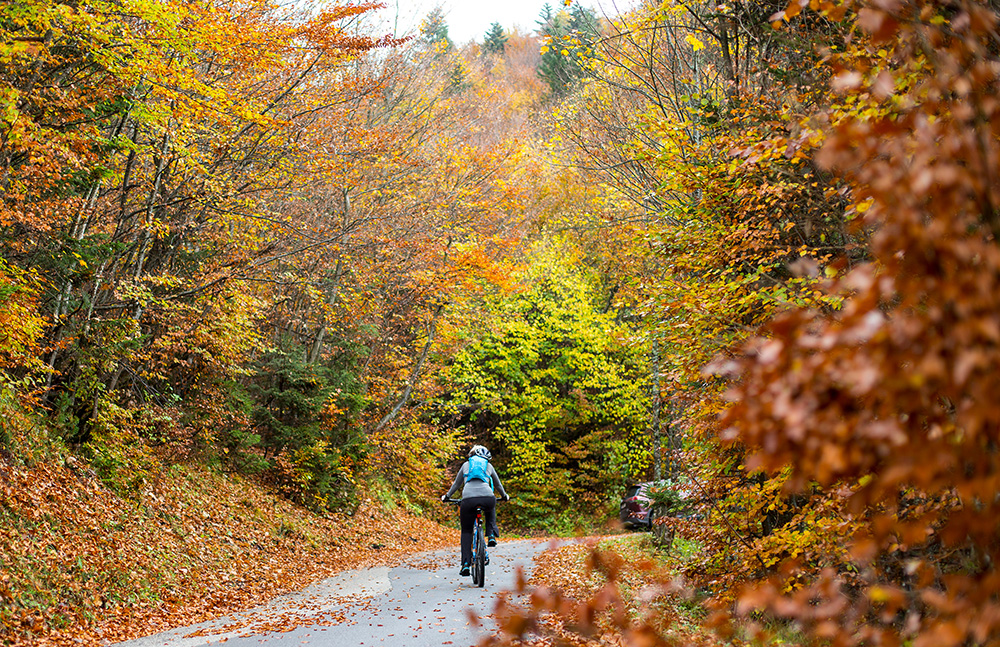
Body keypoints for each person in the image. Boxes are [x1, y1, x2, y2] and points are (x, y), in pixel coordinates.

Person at [441, 445, 509, 576]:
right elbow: (498, 485)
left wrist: (447, 497)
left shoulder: (466, 465)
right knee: (491, 504)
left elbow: (456, 484)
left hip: (468, 500)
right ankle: (491, 535)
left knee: (466, 531)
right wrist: (505, 496)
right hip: (487, 498)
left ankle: (465, 564)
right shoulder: (488, 466)